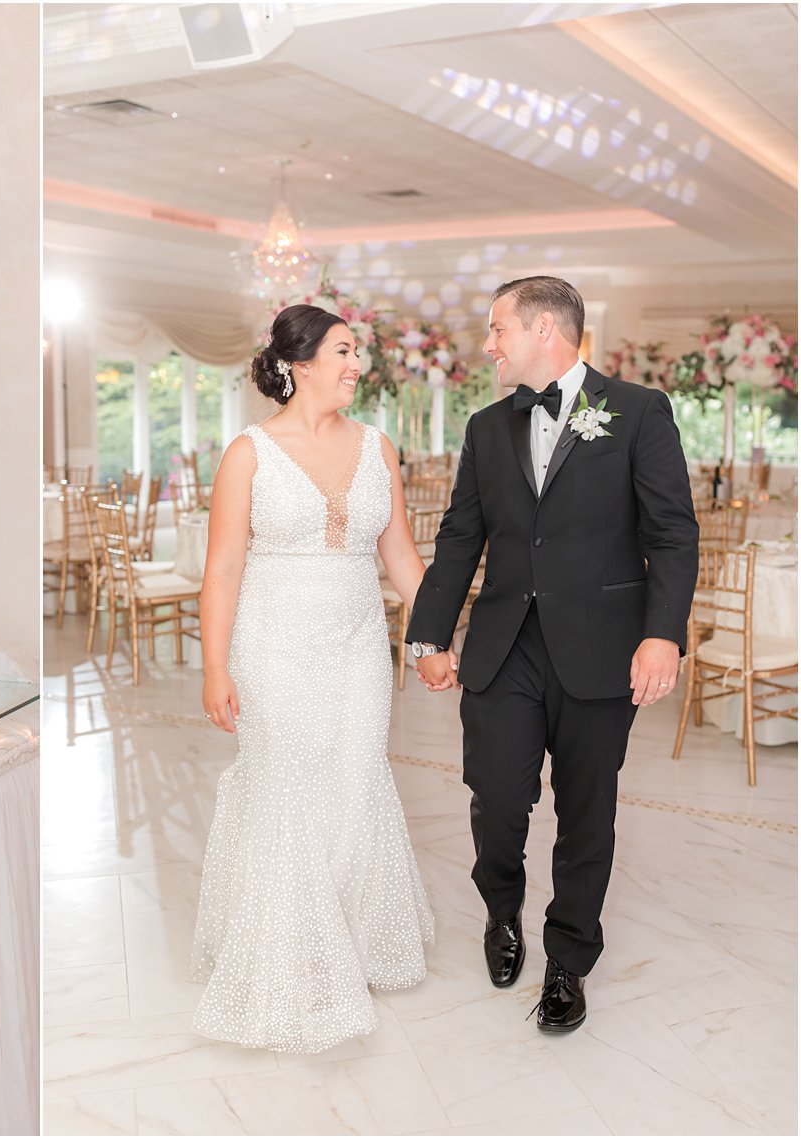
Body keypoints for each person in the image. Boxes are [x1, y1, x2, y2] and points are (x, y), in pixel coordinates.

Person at [407, 276, 698, 1032]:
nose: (489, 344)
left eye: (498, 328)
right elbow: (460, 539)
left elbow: (671, 532)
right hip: (505, 648)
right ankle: (501, 913)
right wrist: (429, 633)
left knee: (587, 813)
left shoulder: (636, 411)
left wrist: (662, 632)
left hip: (601, 651)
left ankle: (568, 959)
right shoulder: (483, 426)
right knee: (497, 798)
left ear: (544, 329)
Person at [189, 303, 434, 1054]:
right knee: (286, 783)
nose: (356, 365)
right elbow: (223, 569)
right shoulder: (249, 453)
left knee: (356, 777)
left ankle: (351, 940)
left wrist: (430, 638)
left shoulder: (377, 447)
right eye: (341, 350)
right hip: (273, 644)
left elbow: (399, 556)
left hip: (359, 644)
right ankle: (291, 953)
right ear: (298, 363)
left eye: (356, 351)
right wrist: (213, 666)